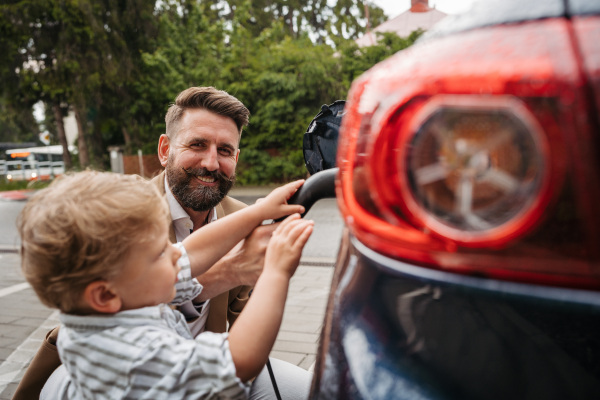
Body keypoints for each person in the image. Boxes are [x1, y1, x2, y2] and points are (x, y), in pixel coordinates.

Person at [13, 86, 313, 399]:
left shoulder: (131, 283)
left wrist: (260, 211)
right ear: (165, 149)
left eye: (224, 151)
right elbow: (239, 361)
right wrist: (276, 272)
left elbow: (191, 254)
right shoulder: (137, 352)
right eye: (197, 144)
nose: (176, 254)